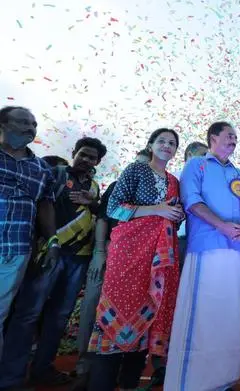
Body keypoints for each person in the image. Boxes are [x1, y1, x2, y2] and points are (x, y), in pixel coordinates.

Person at [0, 137, 106, 389]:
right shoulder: (55, 173)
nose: (86, 160)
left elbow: (97, 214)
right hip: (50, 252)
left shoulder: (94, 186)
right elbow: (42, 205)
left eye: (92, 157)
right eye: (83, 154)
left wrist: (93, 202)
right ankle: (11, 377)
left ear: (98, 162)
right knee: (28, 315)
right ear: (74, 152)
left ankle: (42, 369)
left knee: (59, 317)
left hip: (79, 258)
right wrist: (49, 243)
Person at [87, 128, 183, 391]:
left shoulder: (174, 180)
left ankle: (129, 382)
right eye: (162, 141)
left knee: (149, 314)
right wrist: (158, 209)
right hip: (128, 253)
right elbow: (113, 208)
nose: (167, 146)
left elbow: (177, 215)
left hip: (158, 256)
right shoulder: (136, 170)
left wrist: (175, 214)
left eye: (172, 143)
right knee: (119, 306)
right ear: (150, 144)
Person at [165, 123, 240, 391]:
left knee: (228, 317)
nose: (234, 140)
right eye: (229, 135)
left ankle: (222, 379)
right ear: (212, 138)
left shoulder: (239, 173)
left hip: (237, 250)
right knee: (201, 316)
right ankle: (191, 382)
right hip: (207, 247)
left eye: (236, 137)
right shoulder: (196, 166)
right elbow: (192, 202)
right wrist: (223, 226)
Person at [71, 151, 151, 391]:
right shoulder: (119, 186)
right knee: (96, 310)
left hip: (141, 263)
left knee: (139, 316)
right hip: (111, 259)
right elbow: (105, 218)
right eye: (137, 165)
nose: (141, 170)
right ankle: (86, 369)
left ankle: (127, 378)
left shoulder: (159, 191)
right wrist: (99, 254)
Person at [0, 107, 59, 370]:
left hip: (16, 249)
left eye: (34, 124)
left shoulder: (41, 169)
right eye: (23, 122)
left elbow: (45, 206)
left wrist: (53, 240)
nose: (30, 128)